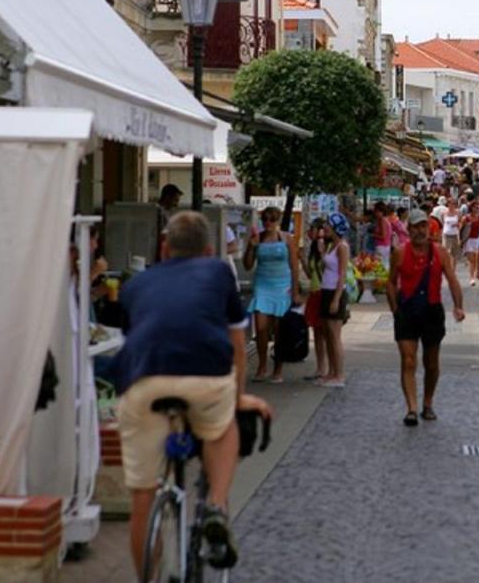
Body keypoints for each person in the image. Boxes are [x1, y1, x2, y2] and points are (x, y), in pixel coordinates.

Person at [114, 212, 272, 574]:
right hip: (206, 379)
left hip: (143, 384)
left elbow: (132, 340)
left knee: (142, 495)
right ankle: (216, 504)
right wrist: (238, 396)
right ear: (208, 249)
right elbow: (236, 342)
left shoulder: (137, 284)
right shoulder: (218, 273)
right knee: (222, 428)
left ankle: (147, 573)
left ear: (165, 248)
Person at [388, 210, 466, 425]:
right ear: (409, 229)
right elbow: (391, 281)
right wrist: (395, 308)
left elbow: (452, 280)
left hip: (432, 310)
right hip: (407, 310)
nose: (420, 231)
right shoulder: (400, 253)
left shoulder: (440, 253)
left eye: (423, 226)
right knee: (408, 359)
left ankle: (428, 403)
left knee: (431, 363)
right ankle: (411, 408)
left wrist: (458, 306)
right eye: (416, 227)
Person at [243, 207, 300, 383]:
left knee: (279, 330)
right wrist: (251, 248)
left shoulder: (287, 238)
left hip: (282, 286)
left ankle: (278, 368)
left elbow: (294, 265)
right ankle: (262, 366)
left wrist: (295, 291)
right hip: (262, 285)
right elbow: (247, 265)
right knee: (260, 328)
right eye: (265, 219)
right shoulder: (257, 238)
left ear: (278, 220)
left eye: (272, 219)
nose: (268, 223)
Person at [318, 212, 352, 387]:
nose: (325, 228)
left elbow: (342, 274)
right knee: (327, 334)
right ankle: (331, 372)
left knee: (334, 335)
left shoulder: (342, 247)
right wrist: (322, 252)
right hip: (325, 290)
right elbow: (327, 268)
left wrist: (336, 299)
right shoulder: (332, 246)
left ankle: (339, 374)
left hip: (334, 292)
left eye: (328, 225)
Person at [303, 219, 330, 382]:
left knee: (326, 333)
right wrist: (301, 260)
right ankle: (320, 367)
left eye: (312, 229)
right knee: (317, 333)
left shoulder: (325, 248)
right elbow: (310, 274)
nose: (309, 232)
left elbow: (329, 270)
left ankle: (328, 368)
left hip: (323, 292)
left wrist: (322, 253)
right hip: (314, 293)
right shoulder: (314, 248)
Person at [463, 204, 479, 286]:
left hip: (478, 240)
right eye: (475, 207)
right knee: (471, 260)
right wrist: (460, 240)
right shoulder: (466, 218)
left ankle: (478, 273)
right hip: (469, 240)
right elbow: (461, 229)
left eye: (477, 207)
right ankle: (472, 278)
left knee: (477, 259)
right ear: (471, 208)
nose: (476, 209)